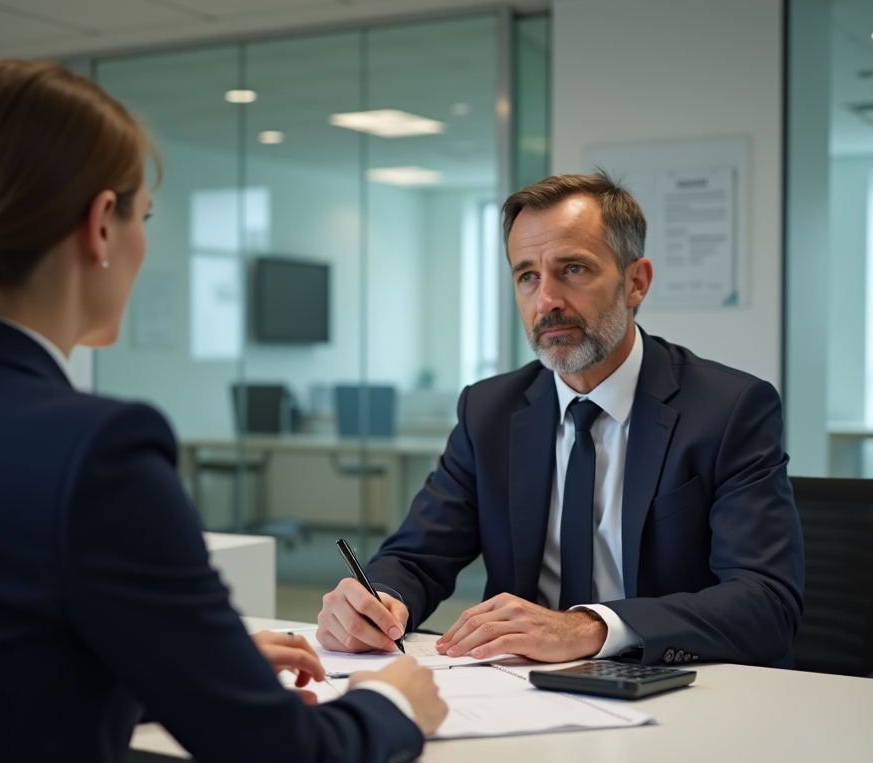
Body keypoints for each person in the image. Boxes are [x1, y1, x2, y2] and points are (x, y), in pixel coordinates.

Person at [0, 60, 446, 763]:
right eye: (144, 217)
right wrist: (395, 701)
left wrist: (196, 665)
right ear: (102, 223)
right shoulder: (95, 451)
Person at [317, 172, 805, 668]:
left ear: (636, 282)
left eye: (573, 269)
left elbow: (766, 603)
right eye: (527, 275)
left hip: (677, 690)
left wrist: (592, 627)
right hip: (520, 691)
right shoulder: (490, 410)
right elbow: (417, 557)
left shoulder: (728, 408)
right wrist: (376, 601)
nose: (546, 300)